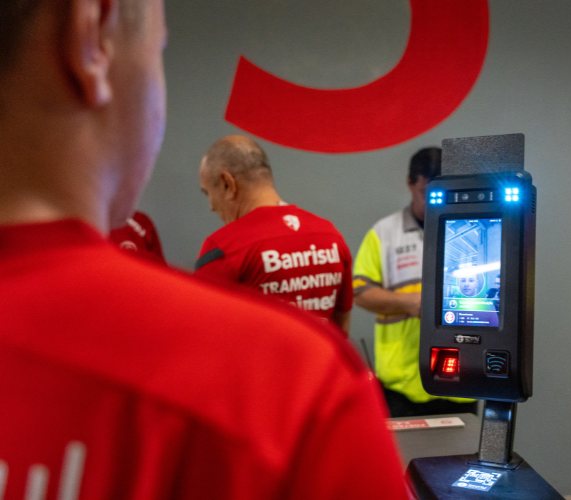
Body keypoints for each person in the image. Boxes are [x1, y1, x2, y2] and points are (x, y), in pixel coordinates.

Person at [0, 1, 407, 499]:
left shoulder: (225, 254)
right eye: (160, 50)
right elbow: (342, 324)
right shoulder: (305, 393)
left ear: (226, 183)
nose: (211, 207)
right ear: (94, 34)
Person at [353, 147, 477, 417]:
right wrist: (409, 303)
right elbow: (360, 291)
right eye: (426, 194)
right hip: (400, 384)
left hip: (461, 380)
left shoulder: (470, 228)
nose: (434, 203)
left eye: (442, 194)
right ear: (411, 184)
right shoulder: (384, 233)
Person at [194, 135, 353, 335]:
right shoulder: (330, 236)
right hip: (318, 365)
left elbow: (205, 336)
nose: (211, 206)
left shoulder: (223, 248)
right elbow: (340, 331)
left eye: (208, 193)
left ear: (228, 184)